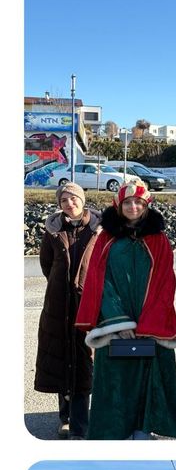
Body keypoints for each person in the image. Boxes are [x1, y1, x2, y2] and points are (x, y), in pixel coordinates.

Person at [76, 183, 176, 440]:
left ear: (146, 207)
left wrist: (149, 324)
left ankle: (143, 429)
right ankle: (115, 432)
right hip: (115, 324)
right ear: (119, 206)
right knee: (116, 379)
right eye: (128, 203)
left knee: (148, 377)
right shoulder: (106, 239)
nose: (133, 207)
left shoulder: (159, 240)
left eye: (139, 203)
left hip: (150, 325)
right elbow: (100, 282)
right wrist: (119, 323)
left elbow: (164, 283)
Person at [34, 183, 101, 439]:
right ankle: (64, 417)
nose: (69, 203)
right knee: (61, 361)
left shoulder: (97, 230)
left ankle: (79, 426)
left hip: (87, 305)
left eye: (73, 198)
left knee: (84, 361)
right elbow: (46, 264)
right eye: (64, 200)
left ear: (82, 200)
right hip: (59, 305)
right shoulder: (52, 231)